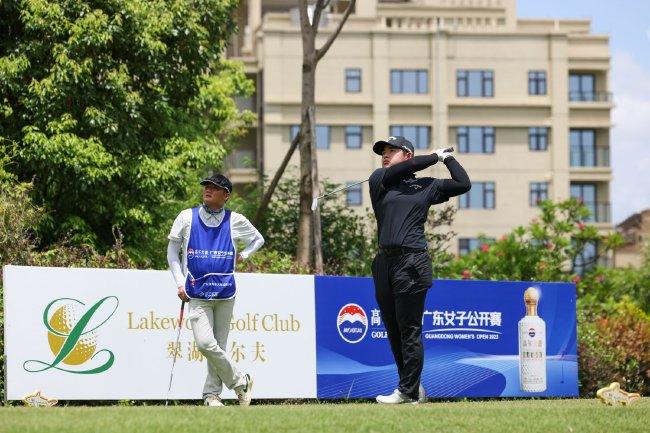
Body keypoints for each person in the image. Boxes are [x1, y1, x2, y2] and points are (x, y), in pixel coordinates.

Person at [369, 136, 471, 404]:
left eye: (392, 151)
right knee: (392, 329)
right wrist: (433, 156)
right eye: (384, 152)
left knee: (409, 330)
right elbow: (395, 172)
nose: (386, 155)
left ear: (408, 155)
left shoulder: (425, 186)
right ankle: (412, 387)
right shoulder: (380, 179)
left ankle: (407, 391)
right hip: (384, 264)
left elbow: (463, 183)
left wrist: (447, 158)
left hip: (411, 262)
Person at [167, 173, 264, 407]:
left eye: (214, 187)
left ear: (226, 195)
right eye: (206, 186)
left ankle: (211, 395)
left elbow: (258, 239)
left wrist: (244, 255)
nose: (208, 189)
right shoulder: (186, 217)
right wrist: (179, 282)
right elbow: (172, 253)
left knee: (218, 347)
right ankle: (241, 382)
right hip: (196, 293)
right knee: (205, 344)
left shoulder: (236, 220)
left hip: (225, 294)